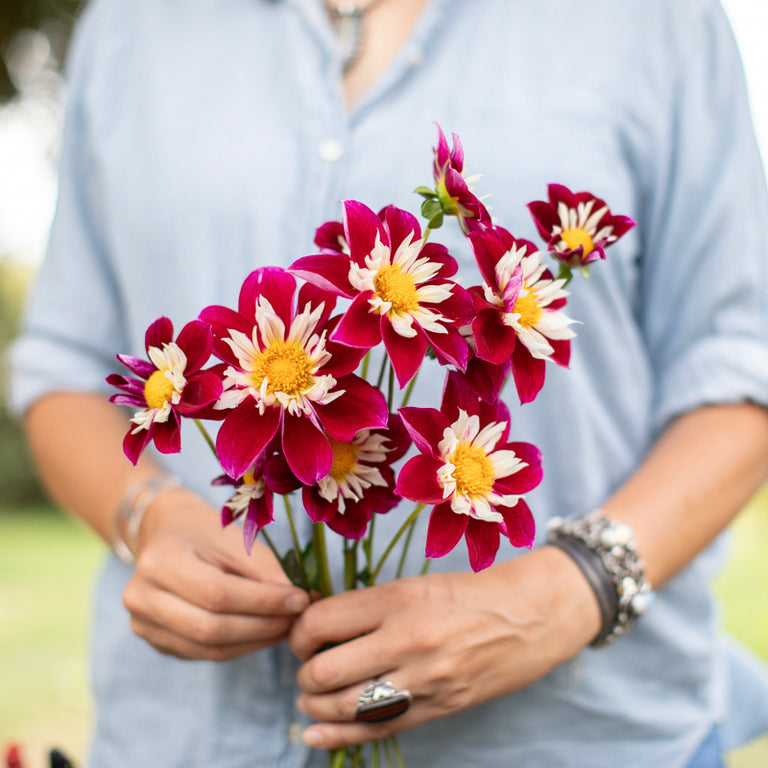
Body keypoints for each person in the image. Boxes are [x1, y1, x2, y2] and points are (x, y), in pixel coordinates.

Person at [9, 0, 768, 766]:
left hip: (576, 739)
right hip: (178, 740)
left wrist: (566, 592)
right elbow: (65, 369)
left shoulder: (659, 20)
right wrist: (146, 512)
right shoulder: (134, 23)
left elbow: (741, 369)